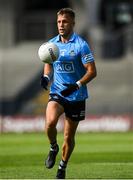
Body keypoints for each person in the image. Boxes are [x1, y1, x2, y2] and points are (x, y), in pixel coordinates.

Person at [40, 8, 97, 179]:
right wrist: (45, 76)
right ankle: (52, 147)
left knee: (68, 136)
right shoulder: (52, 44)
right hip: (57, 92)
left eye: (64, 21)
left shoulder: (81, 45)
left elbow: (92, 71)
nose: (61, 25)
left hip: (76, 96)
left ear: (72, 23)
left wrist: (77, 84)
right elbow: (48, 63)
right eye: (59, 22)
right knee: (50, 123)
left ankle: (62, 167)